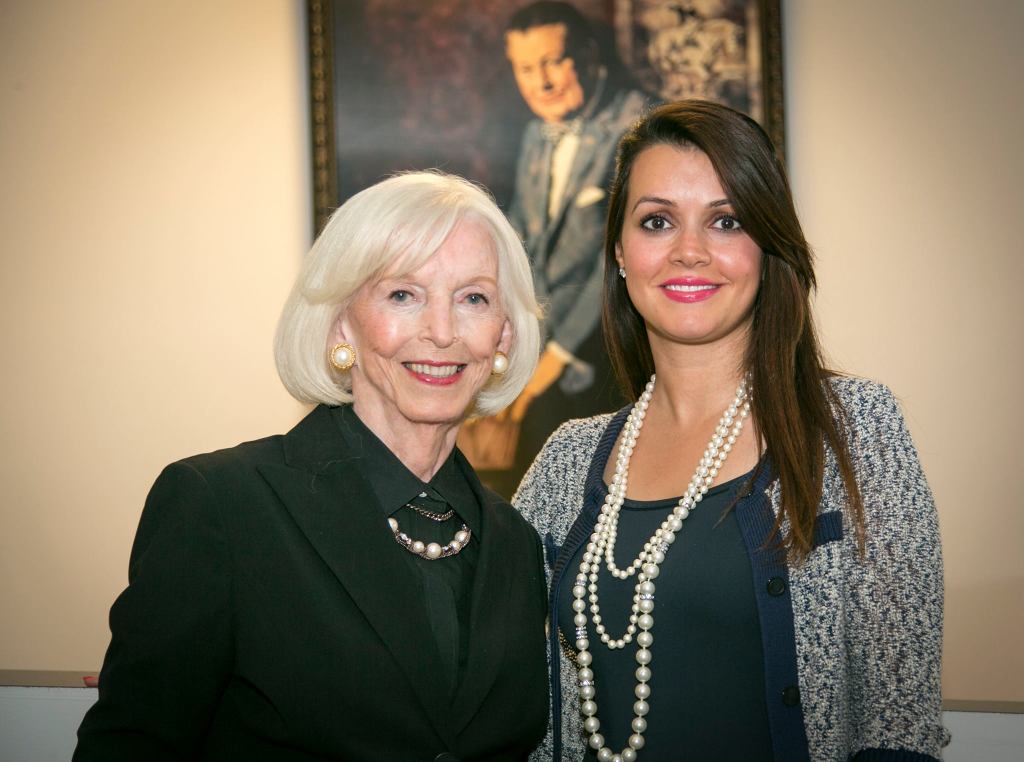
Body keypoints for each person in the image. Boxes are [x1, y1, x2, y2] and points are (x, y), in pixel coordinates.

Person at [514, 101, 949, 761]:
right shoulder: (564, 462)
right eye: (657, 221)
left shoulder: (855, 429)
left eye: (726, 221)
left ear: (767, 246)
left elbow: (898, 721)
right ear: (620, 252)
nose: (689, 251)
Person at [74, 171, 549, 761]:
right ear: (340, 322)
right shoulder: (221, 507)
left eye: (473, 298)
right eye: (403, 295)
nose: (443, 332)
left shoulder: (517, 543)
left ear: (503, 335)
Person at [458, 2, 652, 494]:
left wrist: (555, 357)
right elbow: (520, 241)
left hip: (606, 358)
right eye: (526, 68)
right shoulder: (535, 132)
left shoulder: (640, 126)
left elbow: (620, 260)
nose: (541, 83)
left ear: (588, 55)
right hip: (540, 345)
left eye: (553, 62)